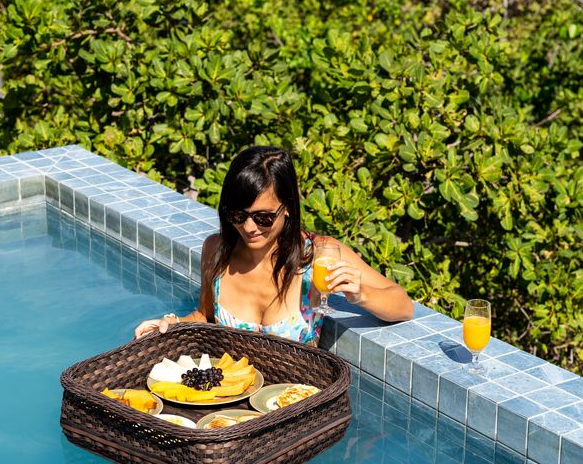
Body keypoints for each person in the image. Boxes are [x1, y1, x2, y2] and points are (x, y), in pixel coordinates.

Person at [134, 146, 413, 343]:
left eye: (264, 217)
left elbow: (403, 306)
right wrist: (170, 323)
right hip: (229, 398)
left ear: (288, 208)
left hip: (291, 402)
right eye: (238, 215)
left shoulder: (318, 253)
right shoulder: (217, 249)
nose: (249, 228)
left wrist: (359, 294)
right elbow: (205, 316)